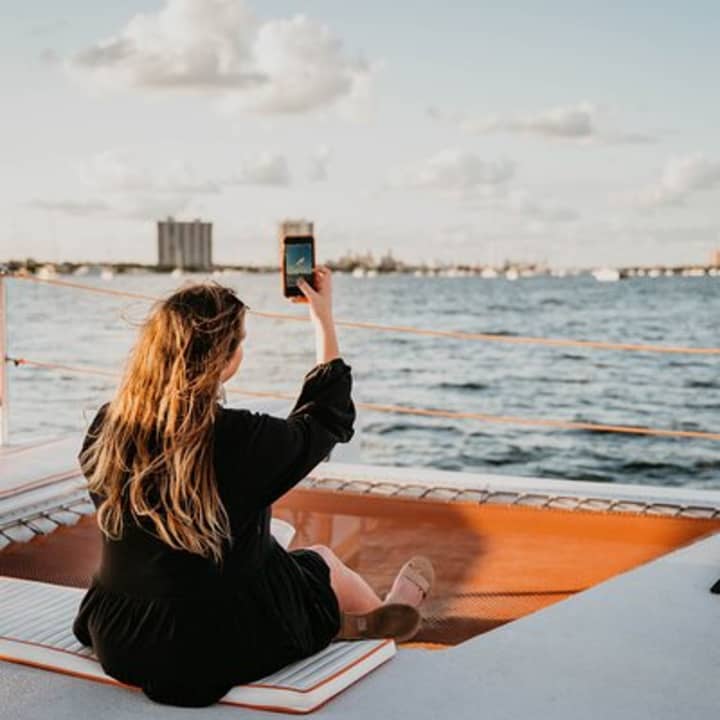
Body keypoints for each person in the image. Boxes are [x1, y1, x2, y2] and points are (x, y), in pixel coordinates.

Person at [72, 265, 434, 707]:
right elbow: (327, 416)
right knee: (318, 560)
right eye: (240, 342)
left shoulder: (107, 427)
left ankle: (352, 619)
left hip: (120, 635)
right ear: (223, 360)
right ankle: (382, 615)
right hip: (216, 645)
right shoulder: (241, 440)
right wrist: (322, 316)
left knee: (259, 556)